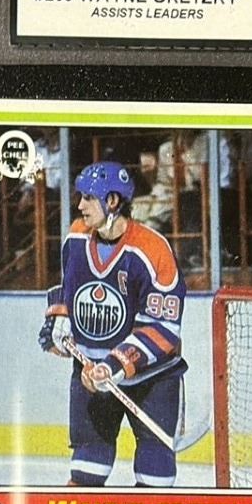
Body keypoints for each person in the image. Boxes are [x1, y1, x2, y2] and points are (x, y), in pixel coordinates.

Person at [38, 163, 187, 486]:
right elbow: (70, 287)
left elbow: (162, 328)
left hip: (152, 379)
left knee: (155, 476)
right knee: (86, 472)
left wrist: (115, 364)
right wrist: (59, 318)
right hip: (91, 372)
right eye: (80, 197)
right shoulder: (77, 235)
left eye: (89, 198)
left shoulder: (152, 250)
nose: (80, 205)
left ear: (113, 201)